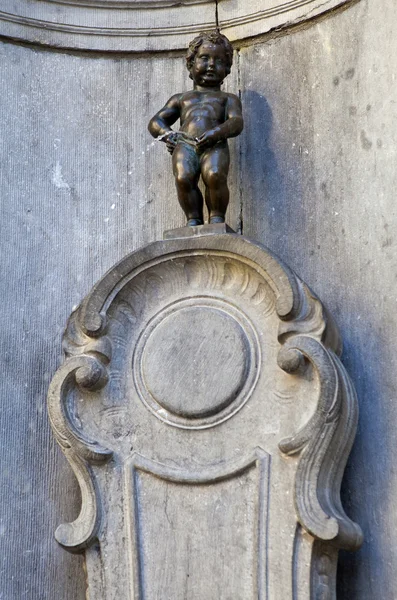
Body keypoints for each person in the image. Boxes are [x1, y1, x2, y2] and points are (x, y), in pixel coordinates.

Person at [148, 31, 244, 226]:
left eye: (218, 60)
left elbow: (236, 122)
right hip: (185, 144)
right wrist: (168, 136)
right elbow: (156, 121)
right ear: (191, 63)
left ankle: (217, 218)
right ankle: (193, 219)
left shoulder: (227, 99)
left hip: (214, 144)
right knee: (183, 178)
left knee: (215, 175)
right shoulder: (182, 98)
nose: (211, 65)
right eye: (204, 58)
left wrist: (217, 133)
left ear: (226, 68)